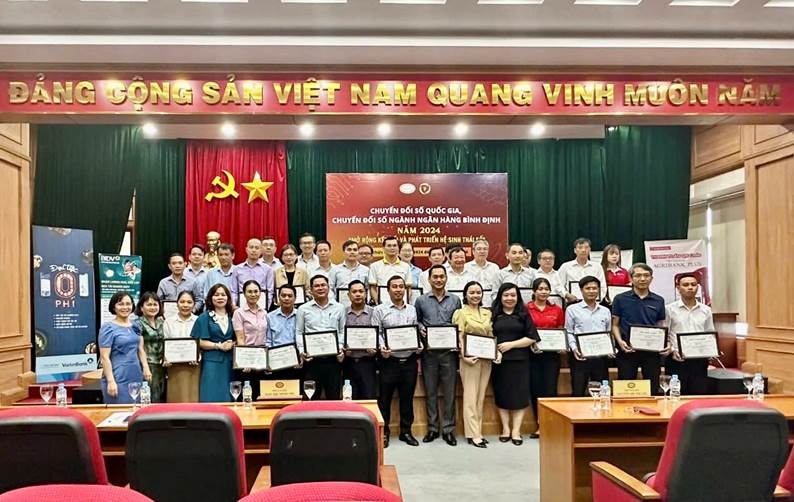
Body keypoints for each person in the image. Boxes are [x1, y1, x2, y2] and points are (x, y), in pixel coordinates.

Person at [372, 275, 423, 448]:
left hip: (409, 361)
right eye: (394, 286)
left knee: (407, 399)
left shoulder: (412, 309)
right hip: (389, 362)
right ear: (388, 290)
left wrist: (419, 344)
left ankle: (406, 432)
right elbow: (377, 333)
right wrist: (382, 347)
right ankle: (384, 432)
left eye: (401, 286)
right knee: (384, 400)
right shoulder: (379, 310)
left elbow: (414, 330)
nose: (398, 289)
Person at [415, 264, 462, 446]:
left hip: (449, 353)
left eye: (441, 276)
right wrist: (421, 328)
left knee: (449, 392)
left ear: (446, 278)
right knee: (431, 392)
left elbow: (458, 323)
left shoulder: (455, 300)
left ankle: (448, 429)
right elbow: (417, 321)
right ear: (429, 279)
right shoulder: (421, 300)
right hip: (429, 353)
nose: (438, 280)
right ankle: (433, 428)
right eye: (435, 277)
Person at [491, 282, 539, 445]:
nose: (509, 298)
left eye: (513, 295)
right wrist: (495, 351)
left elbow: (532, 337)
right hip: (499, 362)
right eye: (506, 295)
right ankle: (505, 429)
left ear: (518, 297)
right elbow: (488, 337)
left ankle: (516, 431)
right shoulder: (494, 314)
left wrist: (511, 345)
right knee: (501, 395)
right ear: (500, 297)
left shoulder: (523, 314)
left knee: (520, 396)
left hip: (520, 361)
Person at [611, 263, 669, 395]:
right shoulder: (620, 299)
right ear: (631, 278)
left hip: (652, 350)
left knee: (653, 385)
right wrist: (620, 341)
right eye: (638, 275)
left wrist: (664, 342)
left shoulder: (658, 300)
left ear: (651, 278)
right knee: (626, 385)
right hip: (627, 349)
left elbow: (661, 323)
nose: (642, 279)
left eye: (646, 275)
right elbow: (615, 324)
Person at [453, 281, 493, 448]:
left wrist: (495, 352)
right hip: (469, 360)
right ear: (465, 295)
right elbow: (459, 337)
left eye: (478, 292)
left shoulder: (487, 313)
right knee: (470, 397)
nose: (475, 295)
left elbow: (490, 335)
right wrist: (463, 357)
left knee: (480, 397)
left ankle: (479, 431)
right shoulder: (461, 313)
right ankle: (472, 434)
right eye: (472, 292)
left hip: (486, 359)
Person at [296, 275, 346, 400]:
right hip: (312, 360)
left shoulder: (339, 308)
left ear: (329, 287)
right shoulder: (303, 309)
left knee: (334, 398)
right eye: (316, 286)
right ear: (311, 290)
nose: (320, 288)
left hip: (333, 360)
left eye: (323, 285)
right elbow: (299, 332)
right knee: (310, 399)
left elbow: (342, 331)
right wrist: (302, 351)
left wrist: (340, 348)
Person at [527, 277, 565, 438]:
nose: (543, 292)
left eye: (546, 289)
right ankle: (539, 425)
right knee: (536, 390)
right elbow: (524, 330)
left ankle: (550, 425)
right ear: (534, 291)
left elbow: (561, 329)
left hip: (552, 356)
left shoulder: (557, 309)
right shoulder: (526, 308)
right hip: (532, 354)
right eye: (540, 289)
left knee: (550, 390)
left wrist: (562, 344)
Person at [665, 273, 715, 395]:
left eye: (693, 284)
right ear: (678, 288)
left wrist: (712, 350)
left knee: (699, 392)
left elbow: (710, 332)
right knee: (677, 394)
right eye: (686, 285)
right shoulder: (669, 309)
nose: (690, 287)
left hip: (699, 358)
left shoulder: (706, 310)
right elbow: (665, 334)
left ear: (697, 287)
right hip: (677, 358)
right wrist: (672, 351)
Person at [565, 276, 614, 396]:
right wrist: (574, 349)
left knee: (602, 392)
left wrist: (611, 348)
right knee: (578, 391)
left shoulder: (605, 311)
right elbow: (569, 331)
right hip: (580, 356)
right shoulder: (572, 309)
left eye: (594, 288)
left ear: (599, 290)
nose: (591, 291)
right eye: (588, 288)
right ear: (581, 290)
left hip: (600, 357)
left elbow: (608, 333)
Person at [99, 291, 149, 404]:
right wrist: (110, 381)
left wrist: (146, 368)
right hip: (117, 377)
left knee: (136, 409)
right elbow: (104, 357)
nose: (125, 307)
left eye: (128, 304)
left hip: (135, 374)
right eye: (120, 304)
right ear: (113, 307)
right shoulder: (108, 328)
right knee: (119, 410)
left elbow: (140, 349)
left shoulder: (136, 326)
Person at [191, 283, 236, 402]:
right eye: (216, 295)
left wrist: (232, 344)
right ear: (210, 298)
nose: (220, 297)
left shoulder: (233, 316)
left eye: (223, 295)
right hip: (212, 362)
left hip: (231, 362)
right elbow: (198, 341)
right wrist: (218, 346)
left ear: (228, 298)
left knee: (230, 396)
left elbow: (239, 338)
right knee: (211, 394)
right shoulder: (204, 317)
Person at [233, 280, 268, 400]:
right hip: (247, 358)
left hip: (261, 358)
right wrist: (245, 361)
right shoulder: (238, 313)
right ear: (244, 294)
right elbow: (240, 338)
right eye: (249, 292)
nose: (253, 294)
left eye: (256, 291)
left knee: (261, 395)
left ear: (260, 293)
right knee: (248, 395)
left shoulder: (264, 312)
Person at [342, 280, 377, 399]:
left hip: (368, 362)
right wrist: (343, 349)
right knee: (349, 400)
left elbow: (378, 334)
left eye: (361, 291)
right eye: (354, 292)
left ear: (366, 294)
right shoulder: (342, 313)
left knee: (369, 399)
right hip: (348, 363)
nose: (358, 294)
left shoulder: (374, 312)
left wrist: (375, 349)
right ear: (348, 295)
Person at [163, 290, 199, 403]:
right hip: (174, 367)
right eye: (182, 302)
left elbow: (202, 343)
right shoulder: (168, 322)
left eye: (189, 302)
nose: (185, 305)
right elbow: (165, 343)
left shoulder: (199, 321)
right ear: (177, 303)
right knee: (175, 399)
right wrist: (165, 358)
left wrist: (197, 356)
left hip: (194, 366)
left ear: (194, 304)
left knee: (193, 399)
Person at [265, 285, 303, 382]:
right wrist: (269, 360)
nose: (286, 298)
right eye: (283, 295)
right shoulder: (269, 317)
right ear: (278, 297)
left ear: (295, 298)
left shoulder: (301, 315)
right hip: (276, 362)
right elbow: (268, 341)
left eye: (290, 296)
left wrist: (301, 356)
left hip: (296, 362)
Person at [136, 292, 166, 402]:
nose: (152, 307)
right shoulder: (138, 323)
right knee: (151, 397)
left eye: (155, 304)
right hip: (148, 365)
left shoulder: (161, 321)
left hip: (162, 365)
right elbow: (140, 348)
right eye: (149, 304)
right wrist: (145, 367)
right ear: (141, 307)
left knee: (162, 395)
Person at [558, 238, 607, 302]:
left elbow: (602, 286)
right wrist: (566, 295)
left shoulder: (597, 267)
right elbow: (558, 285)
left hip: (593, 303)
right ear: (575, 250)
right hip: (572, 303)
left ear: (590, 249)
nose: (583, 250)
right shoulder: (565, 266)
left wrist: (596, 300)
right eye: (580, 247)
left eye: (586, 247)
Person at [231, 238, 275, 308]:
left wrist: (266, 307)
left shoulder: (268, 269)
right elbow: (234, 291)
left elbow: (270, 291)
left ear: (261, 251)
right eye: (251, 247)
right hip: (242, 306)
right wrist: (233, 305)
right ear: (246, 249)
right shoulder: (237, 269)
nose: (254, 250)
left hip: (261, 306)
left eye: (257, 248)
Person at [368, 236, 412, 304]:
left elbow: (408, 289)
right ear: (383, 248)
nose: (392, 248)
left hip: (401, 305)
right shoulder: (375, 266)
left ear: (398, 248)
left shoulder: (406, 266)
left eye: (394, 245)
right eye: (389, 245)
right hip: (382, 305)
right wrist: (378, 304)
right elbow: (373, 288)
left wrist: (404, 303)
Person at [465, 239, 501, 307]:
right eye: (479, 249)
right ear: (473, 251)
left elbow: (497, 288)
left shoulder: (494, 267)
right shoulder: (466, 267)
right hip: (472, 305)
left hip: (491, 305)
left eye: (485, 249)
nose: (482, 251)